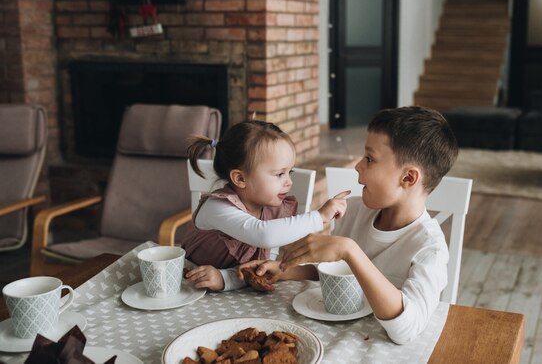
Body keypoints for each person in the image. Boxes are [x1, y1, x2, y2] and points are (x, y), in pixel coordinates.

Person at [238, 106, 459, 345]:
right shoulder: (353, 210)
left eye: (369, 159)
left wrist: (349, 250)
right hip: (328, 336)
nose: (358, 166)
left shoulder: (430, 249)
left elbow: (405, 330)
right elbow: (336, 274)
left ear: (408, 178)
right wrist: (285, 271)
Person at [181, 120, 348, 292]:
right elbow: (263, 234)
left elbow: (259, 267)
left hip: (228, 293)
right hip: (187, 285)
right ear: (240, 179)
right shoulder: (217, 207)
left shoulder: (272, 211)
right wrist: (319, 217)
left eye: (289, 172)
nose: (289, 182)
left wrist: (224, 278)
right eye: (279, 174)